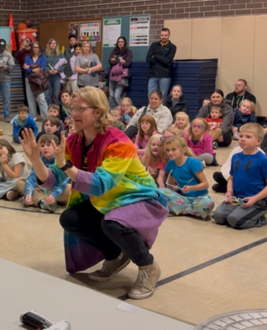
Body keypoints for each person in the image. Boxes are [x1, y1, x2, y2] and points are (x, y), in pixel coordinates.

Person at [33, 87, 168, 299]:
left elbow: (101, 184)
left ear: (97, 112)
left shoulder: (118, 141)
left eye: (80, 108)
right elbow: (53, 180)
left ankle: (148, 265)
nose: (73, 113)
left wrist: (66, 165)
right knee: (70, 218)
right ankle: (115, 255)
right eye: (72, 108)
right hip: (107, 200)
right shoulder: (73, 141)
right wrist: (34, 159)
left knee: (112, 223)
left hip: (138, 198)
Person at [213, 123, 267, 229]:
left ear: (258, 141)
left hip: (257, 201)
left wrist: (255, 198)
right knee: (218, 217)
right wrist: (229, 192)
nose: (242, 139)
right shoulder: (236, 156)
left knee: (235, 221)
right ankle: (240, 212)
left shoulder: (263, 160)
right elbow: (231, 178)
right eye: (241, 136)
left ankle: (262, 218)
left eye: (248, 137)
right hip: (238, 198)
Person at [11, 132, 70, 212]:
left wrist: (54, 194)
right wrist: (29, 192)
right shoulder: (39, 159)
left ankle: (39, 199)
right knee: (19, 182)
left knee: (70, 188)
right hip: (41, 187)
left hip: (58, 189)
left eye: (48, 145)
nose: (45, 148)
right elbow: (32, 178)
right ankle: (42, 201)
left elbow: (63, 182)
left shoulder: (61, 159)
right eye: (42, 146)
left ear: (56, 146)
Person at [158, 136, 213, 220]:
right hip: (184, 198)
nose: (170, 153)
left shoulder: (193, 162)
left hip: (199, 197)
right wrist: (171, 193)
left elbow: (205, 184)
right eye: (168, 150)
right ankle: (192, 211)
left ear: (183, 149)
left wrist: (191, 188)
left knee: (208, 202)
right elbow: (170, 187)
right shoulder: (170, 163)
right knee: (161, 192)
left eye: (173, 149)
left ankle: (181, 210)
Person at [145, 28, 177, 98]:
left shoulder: (172, 47)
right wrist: (162, 59)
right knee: (151, 96)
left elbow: (167, 61)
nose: (163, 37)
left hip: (165, 76)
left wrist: (156, 55)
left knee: (162, 97)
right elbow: (148, 58)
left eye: (165, 35)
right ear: (160, 36)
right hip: (153, 75)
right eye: (162, 35)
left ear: (169, 36)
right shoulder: (154, 45)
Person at [24, 41, 49, 117]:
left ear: (39, 48)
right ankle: (33, 116)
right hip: (29, 79)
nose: (35, 49)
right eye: (34, 47)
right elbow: (25, 69)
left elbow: (41, 68)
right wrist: (33, 69)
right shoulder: (28, 57)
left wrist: (30, 67)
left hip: (38, 80)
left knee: (41, 98)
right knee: (30, 98)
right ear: (32, 48)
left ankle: (45, 116)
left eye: (37, 47)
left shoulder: (43, 57)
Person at [107, 36, 132, 109]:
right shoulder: (114, 51)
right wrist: (119, 60)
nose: (120, 43)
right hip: (112, 75)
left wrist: (115, 60)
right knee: (111, 96)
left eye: (122, 42)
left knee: (116, 96)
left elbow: (127, 63)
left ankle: (122, 110)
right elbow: (110, 61)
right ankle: (112, 112)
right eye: (119, 42)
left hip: (121, 76)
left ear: (124, 43)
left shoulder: (128, 52)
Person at [44, 38, 68, 105]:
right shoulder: (44, 54)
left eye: (54, 43)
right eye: (51, 43)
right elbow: (42, 65)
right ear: (49, 44)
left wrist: (58, 70)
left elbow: (64, 64)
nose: (53, 45)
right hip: (47, 76)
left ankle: (57, 111)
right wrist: (48, 70)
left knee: (56, 94)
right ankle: (48, 111)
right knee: (47, 94)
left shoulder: (60, 53)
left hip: (56, 76)